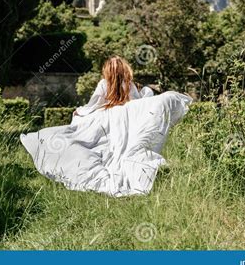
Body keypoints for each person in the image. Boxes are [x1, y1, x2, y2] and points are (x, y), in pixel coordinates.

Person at [20, 56, 193, 197]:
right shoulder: (129, 84)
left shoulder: (104, 84)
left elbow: (94, 104)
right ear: (125, 70)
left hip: (106, 118)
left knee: (95, 144)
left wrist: (79, 112)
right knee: (117, 146)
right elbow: (137, 103)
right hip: (123, 119)